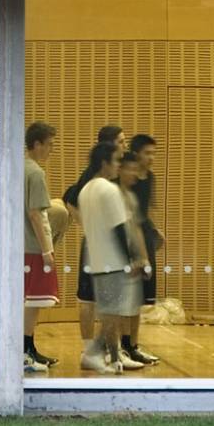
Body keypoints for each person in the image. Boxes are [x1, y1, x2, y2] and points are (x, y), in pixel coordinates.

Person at [78, 146, 151, 374]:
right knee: (115, 314)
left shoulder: (85, 190)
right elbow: (119, 228)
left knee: (110, 312)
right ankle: (94, 354)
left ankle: (114, 357)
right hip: (114, 261)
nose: (119, 165)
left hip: (97, 260)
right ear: (104, 163)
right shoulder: (109, 190)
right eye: (116, 161)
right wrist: (131, 260)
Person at [61, 126, 122, 353]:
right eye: (122, 141)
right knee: (90, 299)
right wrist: (87, 225)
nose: (125, 145)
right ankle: (93, 348)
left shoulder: (111, 177)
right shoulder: (93, 177)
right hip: (99, 244)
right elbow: (69, 197)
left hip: (105, 243)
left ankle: (110, 348)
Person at [21, 122, 62, 374]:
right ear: (37, 145)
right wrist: (47, 250)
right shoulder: (35, 173)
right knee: (34, 302)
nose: (51, 150)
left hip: (21, 244)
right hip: (33, 247)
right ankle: (25, 351)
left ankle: (29, 348)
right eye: (49, 145)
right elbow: (36, 213)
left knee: (29, 300)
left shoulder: (20, 169)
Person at [123, 135, 163, 368]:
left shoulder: (150, 178)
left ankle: (132, 345)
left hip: (145, 237)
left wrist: (155, 231)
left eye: (154, 153)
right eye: (147, 153)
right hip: (129, 241)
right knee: (126, 296)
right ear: (136, 153)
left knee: (139, 298)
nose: (151, 158)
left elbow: (146, 210)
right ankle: (120, 345)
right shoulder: (126, 179)